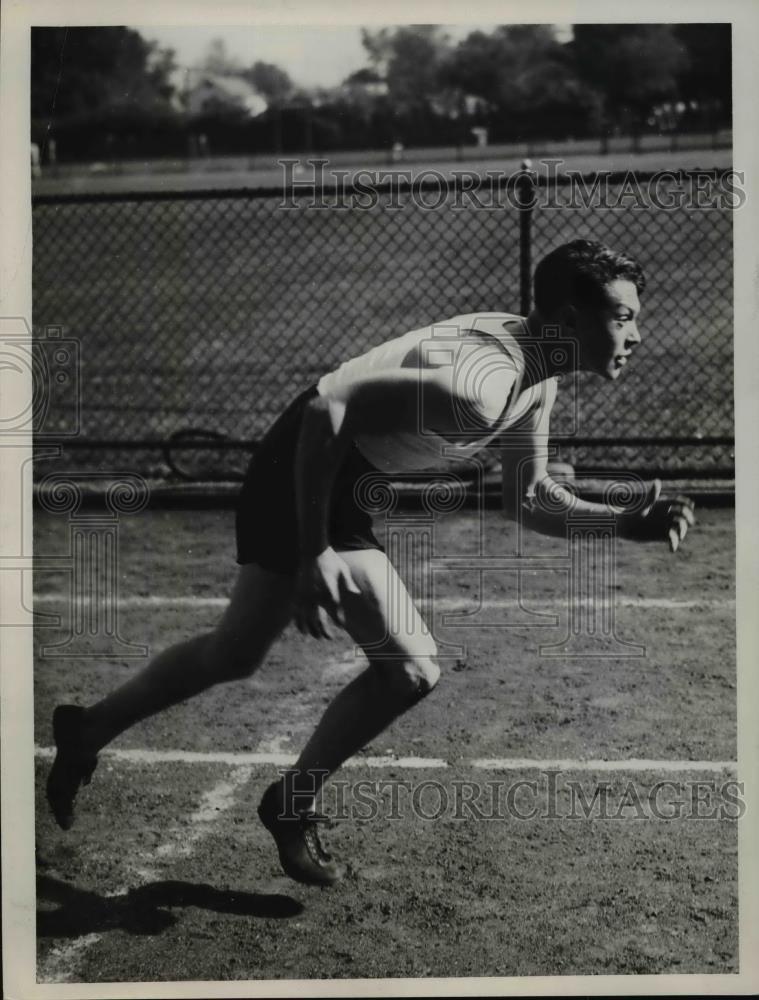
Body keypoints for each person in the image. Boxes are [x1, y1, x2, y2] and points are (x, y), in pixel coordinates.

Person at [46, 239, 695, 885]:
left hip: (334, 477)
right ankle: (289, 805)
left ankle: (88, 729)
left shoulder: (534, 378)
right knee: (406, 669)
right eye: (622, 316)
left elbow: (525, 499)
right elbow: (329, 407)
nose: (636, 332)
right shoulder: (485, 383)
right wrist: (313, 554)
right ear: (567, 318)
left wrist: (626, 523)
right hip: (302, 467)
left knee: (235, 655)